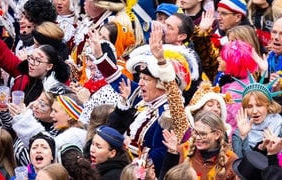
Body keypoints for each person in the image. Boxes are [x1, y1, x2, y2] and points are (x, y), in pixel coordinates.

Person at [88, 23, 193, 174]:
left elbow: (160, 155)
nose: (140, 83)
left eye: (146, 79)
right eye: (141, 78)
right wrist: (99, 55)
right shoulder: (144, 101)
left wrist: (126, 148)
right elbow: (117, 79)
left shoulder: (168, 114)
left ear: (161, 84)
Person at [0, 4, 70, 105]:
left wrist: (23, 115)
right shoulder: (25, 68)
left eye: (37, 46)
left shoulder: (58, 87)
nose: (34, 50)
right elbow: (3, 53)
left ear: (50, 64)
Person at [12, 93, 86, 151]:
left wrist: (24, 119)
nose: (51, 114)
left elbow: (48, 147)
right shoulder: (61, 131)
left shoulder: (74, 136)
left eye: (55, 111)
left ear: (70, 116)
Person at [231, 73, 282, 158]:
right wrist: (244, 136)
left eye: (259, 105)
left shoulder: (279, 125)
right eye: (249, 106)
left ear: (268, 105)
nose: (254, 111)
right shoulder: (238, 133)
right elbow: (240, 166)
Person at [177, 111, 238, 179]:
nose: (197, 138)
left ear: (217, 134)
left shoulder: (231, 159)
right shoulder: (183, 149)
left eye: (203, 134)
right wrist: (171, 153)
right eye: (195, 132)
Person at [218, 40, 258, 132]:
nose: (218, 59)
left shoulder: (235, 92)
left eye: (222, 58)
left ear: (233, 63)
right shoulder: (245, 78)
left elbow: (235, 125)